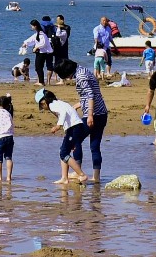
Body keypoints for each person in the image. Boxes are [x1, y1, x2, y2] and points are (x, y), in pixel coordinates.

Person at [68, 53, 109, 182]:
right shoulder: (83, 70)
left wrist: (90, 114)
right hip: (102, 113)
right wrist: (79, 104)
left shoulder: (80, 76)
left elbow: (90, 94)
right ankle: (96, 177)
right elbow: (93, 92)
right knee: (95, 146)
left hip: (94, 114)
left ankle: (78, 171)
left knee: (75, 140)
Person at [36, 88, 88, 185]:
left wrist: (58, 126)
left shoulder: (52, 105)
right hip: (75, 127)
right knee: (63, 151)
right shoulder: (59, 102)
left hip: (74, 128)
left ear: (44, 101)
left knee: (64, 153)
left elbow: (64, 113)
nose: (43, 108)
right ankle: (64, 178)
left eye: (42, 106)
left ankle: (81, 174)